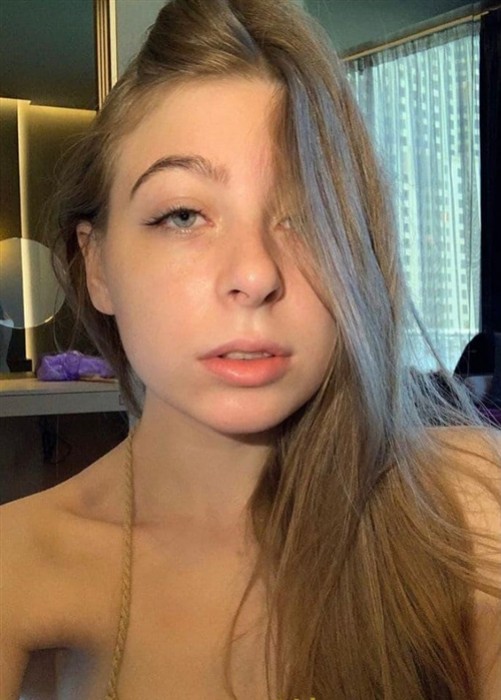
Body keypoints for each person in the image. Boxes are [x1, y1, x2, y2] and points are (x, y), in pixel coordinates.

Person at [1, 0, 500, 698]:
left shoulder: (472, 509)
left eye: (308, 214)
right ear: (99, 265)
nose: (256, 273)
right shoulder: (19, 564)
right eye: (183, 214)